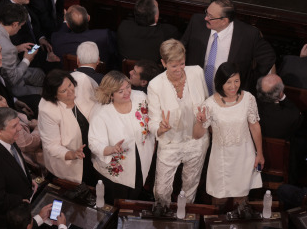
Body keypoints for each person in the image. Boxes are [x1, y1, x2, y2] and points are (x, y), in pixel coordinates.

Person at [147, 39, 209, 209]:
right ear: (163, 63)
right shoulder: (155, 85)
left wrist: (205, 118)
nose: (179, 69)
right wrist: (160, 128)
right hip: (170, 143)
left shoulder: (196, 73)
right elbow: (152, 121)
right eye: (174, 66)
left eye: (182, 64)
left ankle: (184, 219)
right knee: (161, 191)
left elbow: (206, 102)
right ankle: (162, 217)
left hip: (196, 141)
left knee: (190, 187)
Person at [193, 62, 264, 206]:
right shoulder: (209, 104)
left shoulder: (248, 98)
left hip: (244, 155)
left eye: (236, 81)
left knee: (241, 198)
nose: (233, 86)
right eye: (228, 82)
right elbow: (197, 135)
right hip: (221, 158)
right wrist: (200, 122)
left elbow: (255, 126)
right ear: (220, 83)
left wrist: (260, 153)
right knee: (219, 198)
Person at [181, 0, 275, 95]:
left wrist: (249, 81)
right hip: (194, 90)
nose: (206, 18)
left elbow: (268, 58)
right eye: (206, 13)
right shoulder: (197, 22)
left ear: (224, 21)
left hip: (228, 96)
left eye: (210, 16)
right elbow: (182, 47)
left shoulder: (248, 34)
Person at [88, 71, 155, 204]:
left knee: (134, 197)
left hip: (140, 158)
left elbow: (153, 118)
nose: (127, 93)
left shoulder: (140, 97)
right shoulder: (101, 113)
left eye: (128, 87)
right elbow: (94, 143)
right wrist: (111, 149)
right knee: (117, 201)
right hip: (116, 171)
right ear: (110, 94)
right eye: (120, 91)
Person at [38, 69, 97, 186]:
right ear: (54, 95)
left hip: (92, 150)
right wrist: (72, 154)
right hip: (71, 160)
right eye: (64, 91)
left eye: (70, 85)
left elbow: (99, 97)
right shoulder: (47, 109)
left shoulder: (82, 80)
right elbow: (51, 145)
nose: (71, 91)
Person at [0, 3, 45, 98]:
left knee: (39, 74)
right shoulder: (8, 48)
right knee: (43, 89)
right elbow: (12, 80)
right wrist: (27, 59)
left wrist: (17, 48)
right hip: (7, 85)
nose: (20, 28)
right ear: (15, 24)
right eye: (21, 26)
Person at [0, 88, 44, 167]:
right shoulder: (9, 125)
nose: (4, 104)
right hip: (31, 157)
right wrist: (38, 127)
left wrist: (29, 122)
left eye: (1, 98)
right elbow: (30, 144)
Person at [51, 5, 117, 68]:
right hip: (99, 77)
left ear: (68, 25)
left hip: (70, 77)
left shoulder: (57, 39)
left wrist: (65, 21)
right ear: (88, 18)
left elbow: (60, 33)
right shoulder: (104, 36)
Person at [256, 74, 303, 139]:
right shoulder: (292, 116)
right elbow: (298, 118)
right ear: (280, 93)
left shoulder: (250, 107)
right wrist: (282, 96)